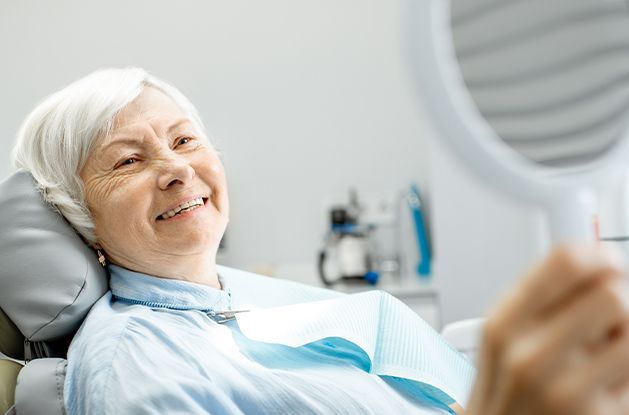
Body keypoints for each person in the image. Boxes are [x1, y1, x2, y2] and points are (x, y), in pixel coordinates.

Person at [11, 67, 629, 415]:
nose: (176, 169)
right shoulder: (138, 369)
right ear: (79, 215)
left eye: (184, 140)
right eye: (126, 162)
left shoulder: (233, 295)